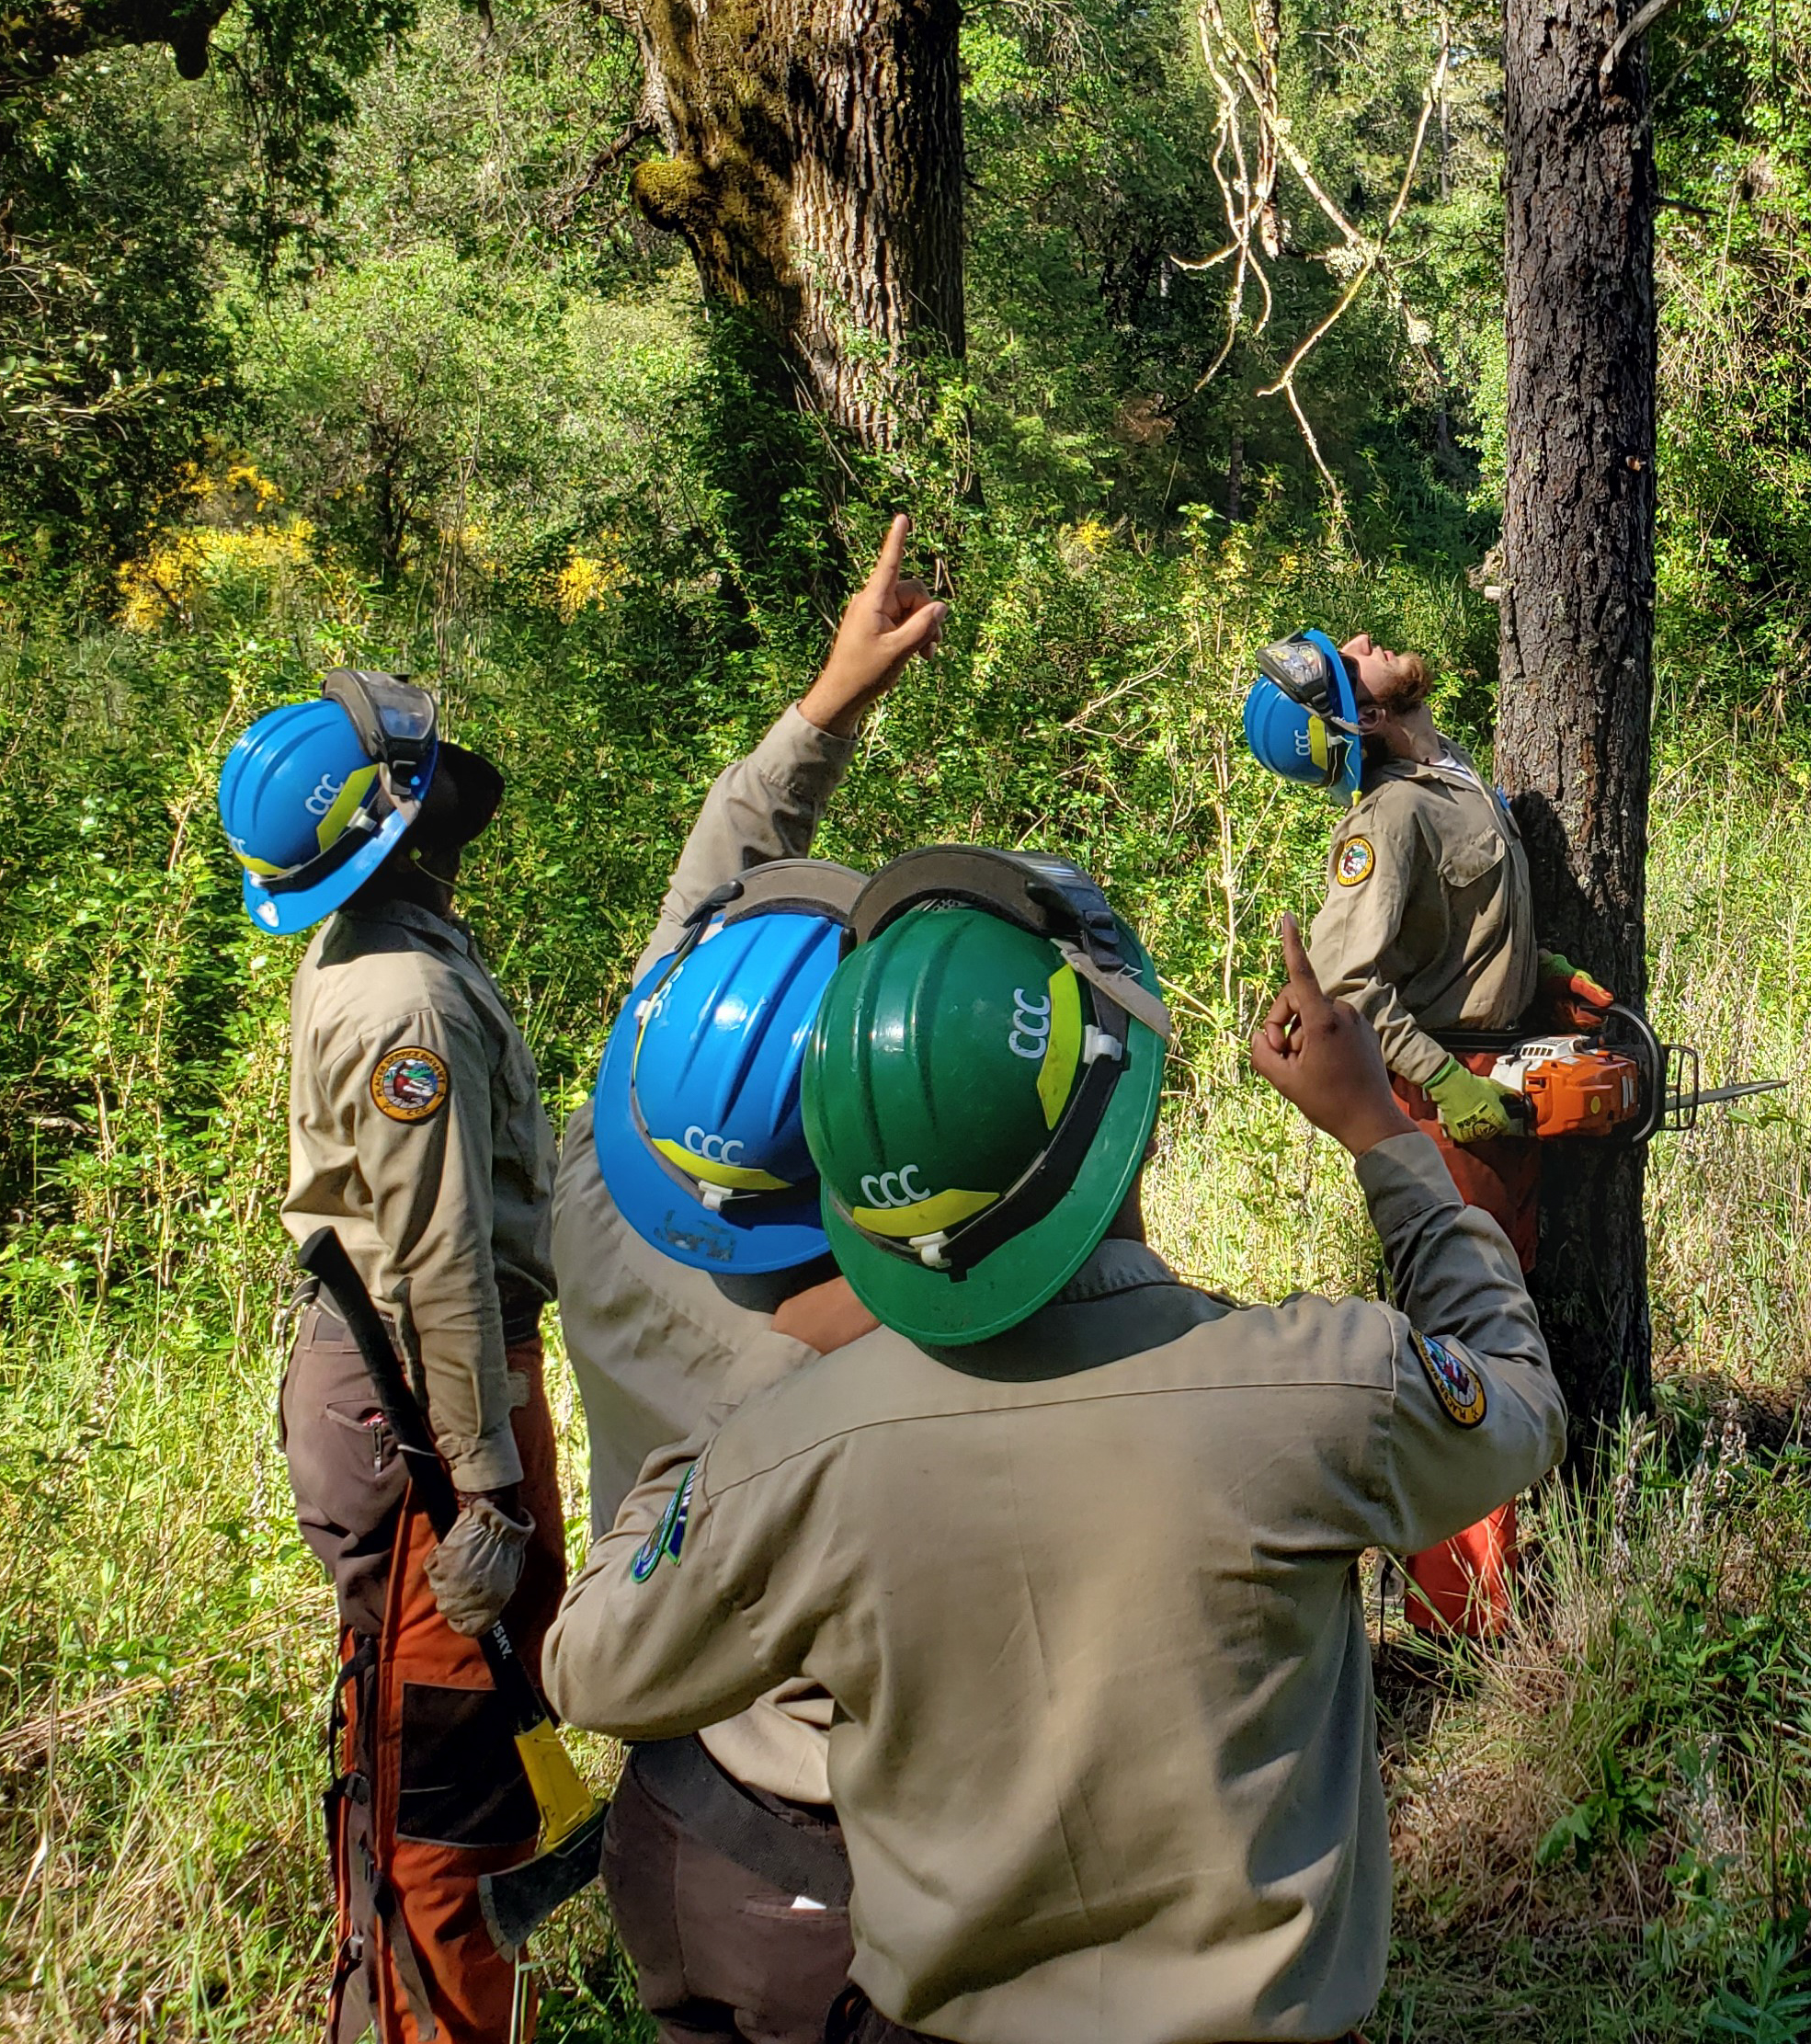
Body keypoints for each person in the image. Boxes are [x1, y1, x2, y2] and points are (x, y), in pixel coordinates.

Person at [541, 855, 1563, 2044]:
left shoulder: (798, 1456)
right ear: (1124, 1116)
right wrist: (1383, 1136)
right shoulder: (1318, 1386)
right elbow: (1517, 1402)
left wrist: (758, 1387)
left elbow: (592, 1671)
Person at [552, 515, 948, 2044]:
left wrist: (825, 706)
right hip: (837, 1858)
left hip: (666, 1810)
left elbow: (715, 901)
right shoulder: (865, 1336)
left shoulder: (611, 1157)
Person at [221, 671, 559, 2044]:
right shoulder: (405, 996)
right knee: (448, 1764)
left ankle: (403, 2001)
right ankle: (436, 2017)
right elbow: (435, 1259)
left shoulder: (386, 948)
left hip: (400, 1390)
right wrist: (486, 1490)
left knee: (424, 1730)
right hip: (418, 1409)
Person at [1244, 627, 1585, 1636]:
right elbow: (1345, 987)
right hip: (1445, 1100)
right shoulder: (1387, 820)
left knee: (1506, 1309)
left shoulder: (1451, 779)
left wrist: (1539, 971)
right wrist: (1441, 1077)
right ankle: (1464, 1618)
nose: (1363, 640)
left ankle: (1495, 1579)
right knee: (1470, 1349)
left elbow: (1454, 929)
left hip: (1497, 1071)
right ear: (1358, 715)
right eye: (1349, 658)